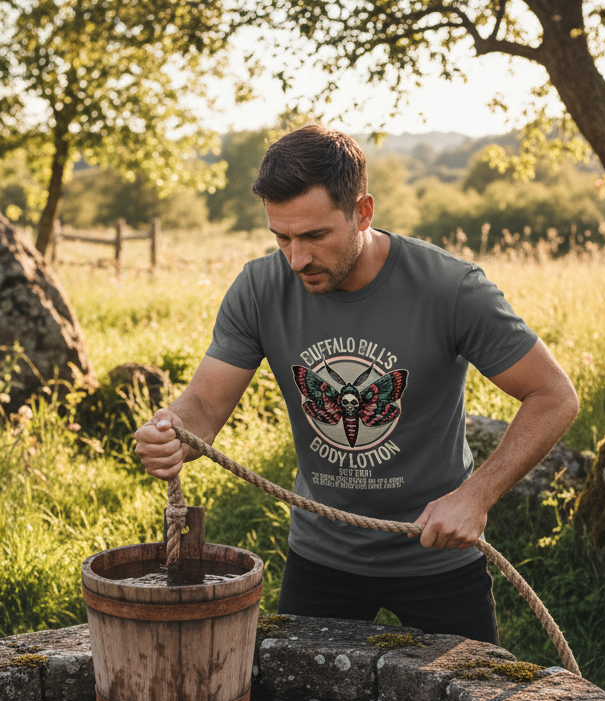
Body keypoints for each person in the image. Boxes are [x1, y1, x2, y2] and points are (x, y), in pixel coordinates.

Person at [134, 124, 579, 646]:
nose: (297, 259)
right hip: (321, 558)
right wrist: (172, 429)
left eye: (315, 236)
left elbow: (555, 397)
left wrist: (476, 497)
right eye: (282, 237)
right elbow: (205, 404)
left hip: (438, 558)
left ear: (362, 212)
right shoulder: (258, 289)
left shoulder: (451, 289)